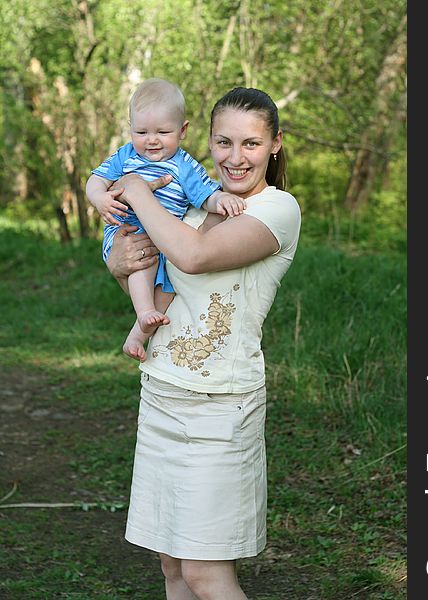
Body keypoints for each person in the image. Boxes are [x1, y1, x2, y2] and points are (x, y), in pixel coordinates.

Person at [106, 87, 301, 600]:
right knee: (172, 567)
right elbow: (151, 277)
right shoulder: (194, 203)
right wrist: (118, 262)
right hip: (163, 393)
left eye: (251, 144)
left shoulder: (277, 210)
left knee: (205, 574)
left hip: (220, 408)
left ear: (275, 145)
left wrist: (133, 187)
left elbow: (190, 258)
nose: (235, 157)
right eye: (224, 142)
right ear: (206, 142)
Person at [86, 78, 245, 361]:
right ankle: (144, 313)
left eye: (162, 131)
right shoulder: (126, 155)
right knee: (142, 266)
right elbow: (96, 179)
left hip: (164, 241)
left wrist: (222, 200)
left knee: (171, 282)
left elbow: (206, 194)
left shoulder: (184, 166)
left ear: (182, 131)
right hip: (128, 230)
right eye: (142, 131)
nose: (151, 140)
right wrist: (99, 198)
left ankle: (138, 332)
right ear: (131, 129)